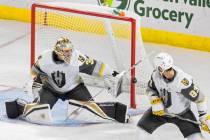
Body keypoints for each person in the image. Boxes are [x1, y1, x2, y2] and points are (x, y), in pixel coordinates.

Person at [5, 37, 128, 124]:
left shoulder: (77, 58)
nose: (69, 54)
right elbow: (34, 72)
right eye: (66, 51)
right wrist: (36, 81)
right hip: (50, 89)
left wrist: (114, 73)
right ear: (58, 51)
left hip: (74, 88)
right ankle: (18, 106)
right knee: (39, 113)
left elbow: (97, 66)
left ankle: (117, 111)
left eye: (70, 50)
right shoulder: (45, 58)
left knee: (90, 111)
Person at [136, 52, 210, 140]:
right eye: (167, 70)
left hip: (182, 114)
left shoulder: (182, 82)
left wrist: (204, 117)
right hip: (160, 112)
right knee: (141, 130)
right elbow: (150, 89)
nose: (170, 72)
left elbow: (199, 98)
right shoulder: (155, 76)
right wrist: (155, 100)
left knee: (196, 138)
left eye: (169, 68)